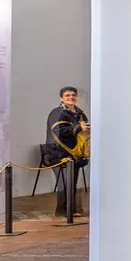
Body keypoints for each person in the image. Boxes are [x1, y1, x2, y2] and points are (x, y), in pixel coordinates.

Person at [45, 86, 89, 218]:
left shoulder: (79, 113)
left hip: (74, 154)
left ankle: (71, 209)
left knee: (72, 182)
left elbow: (84, 130)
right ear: (61, 98)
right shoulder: (57, 112)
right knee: (64, 182)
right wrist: (77, 128)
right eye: (67, 95)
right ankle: (62, 211)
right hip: (59, 153)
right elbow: (58, 131)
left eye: (73, 95)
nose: (71, 97)